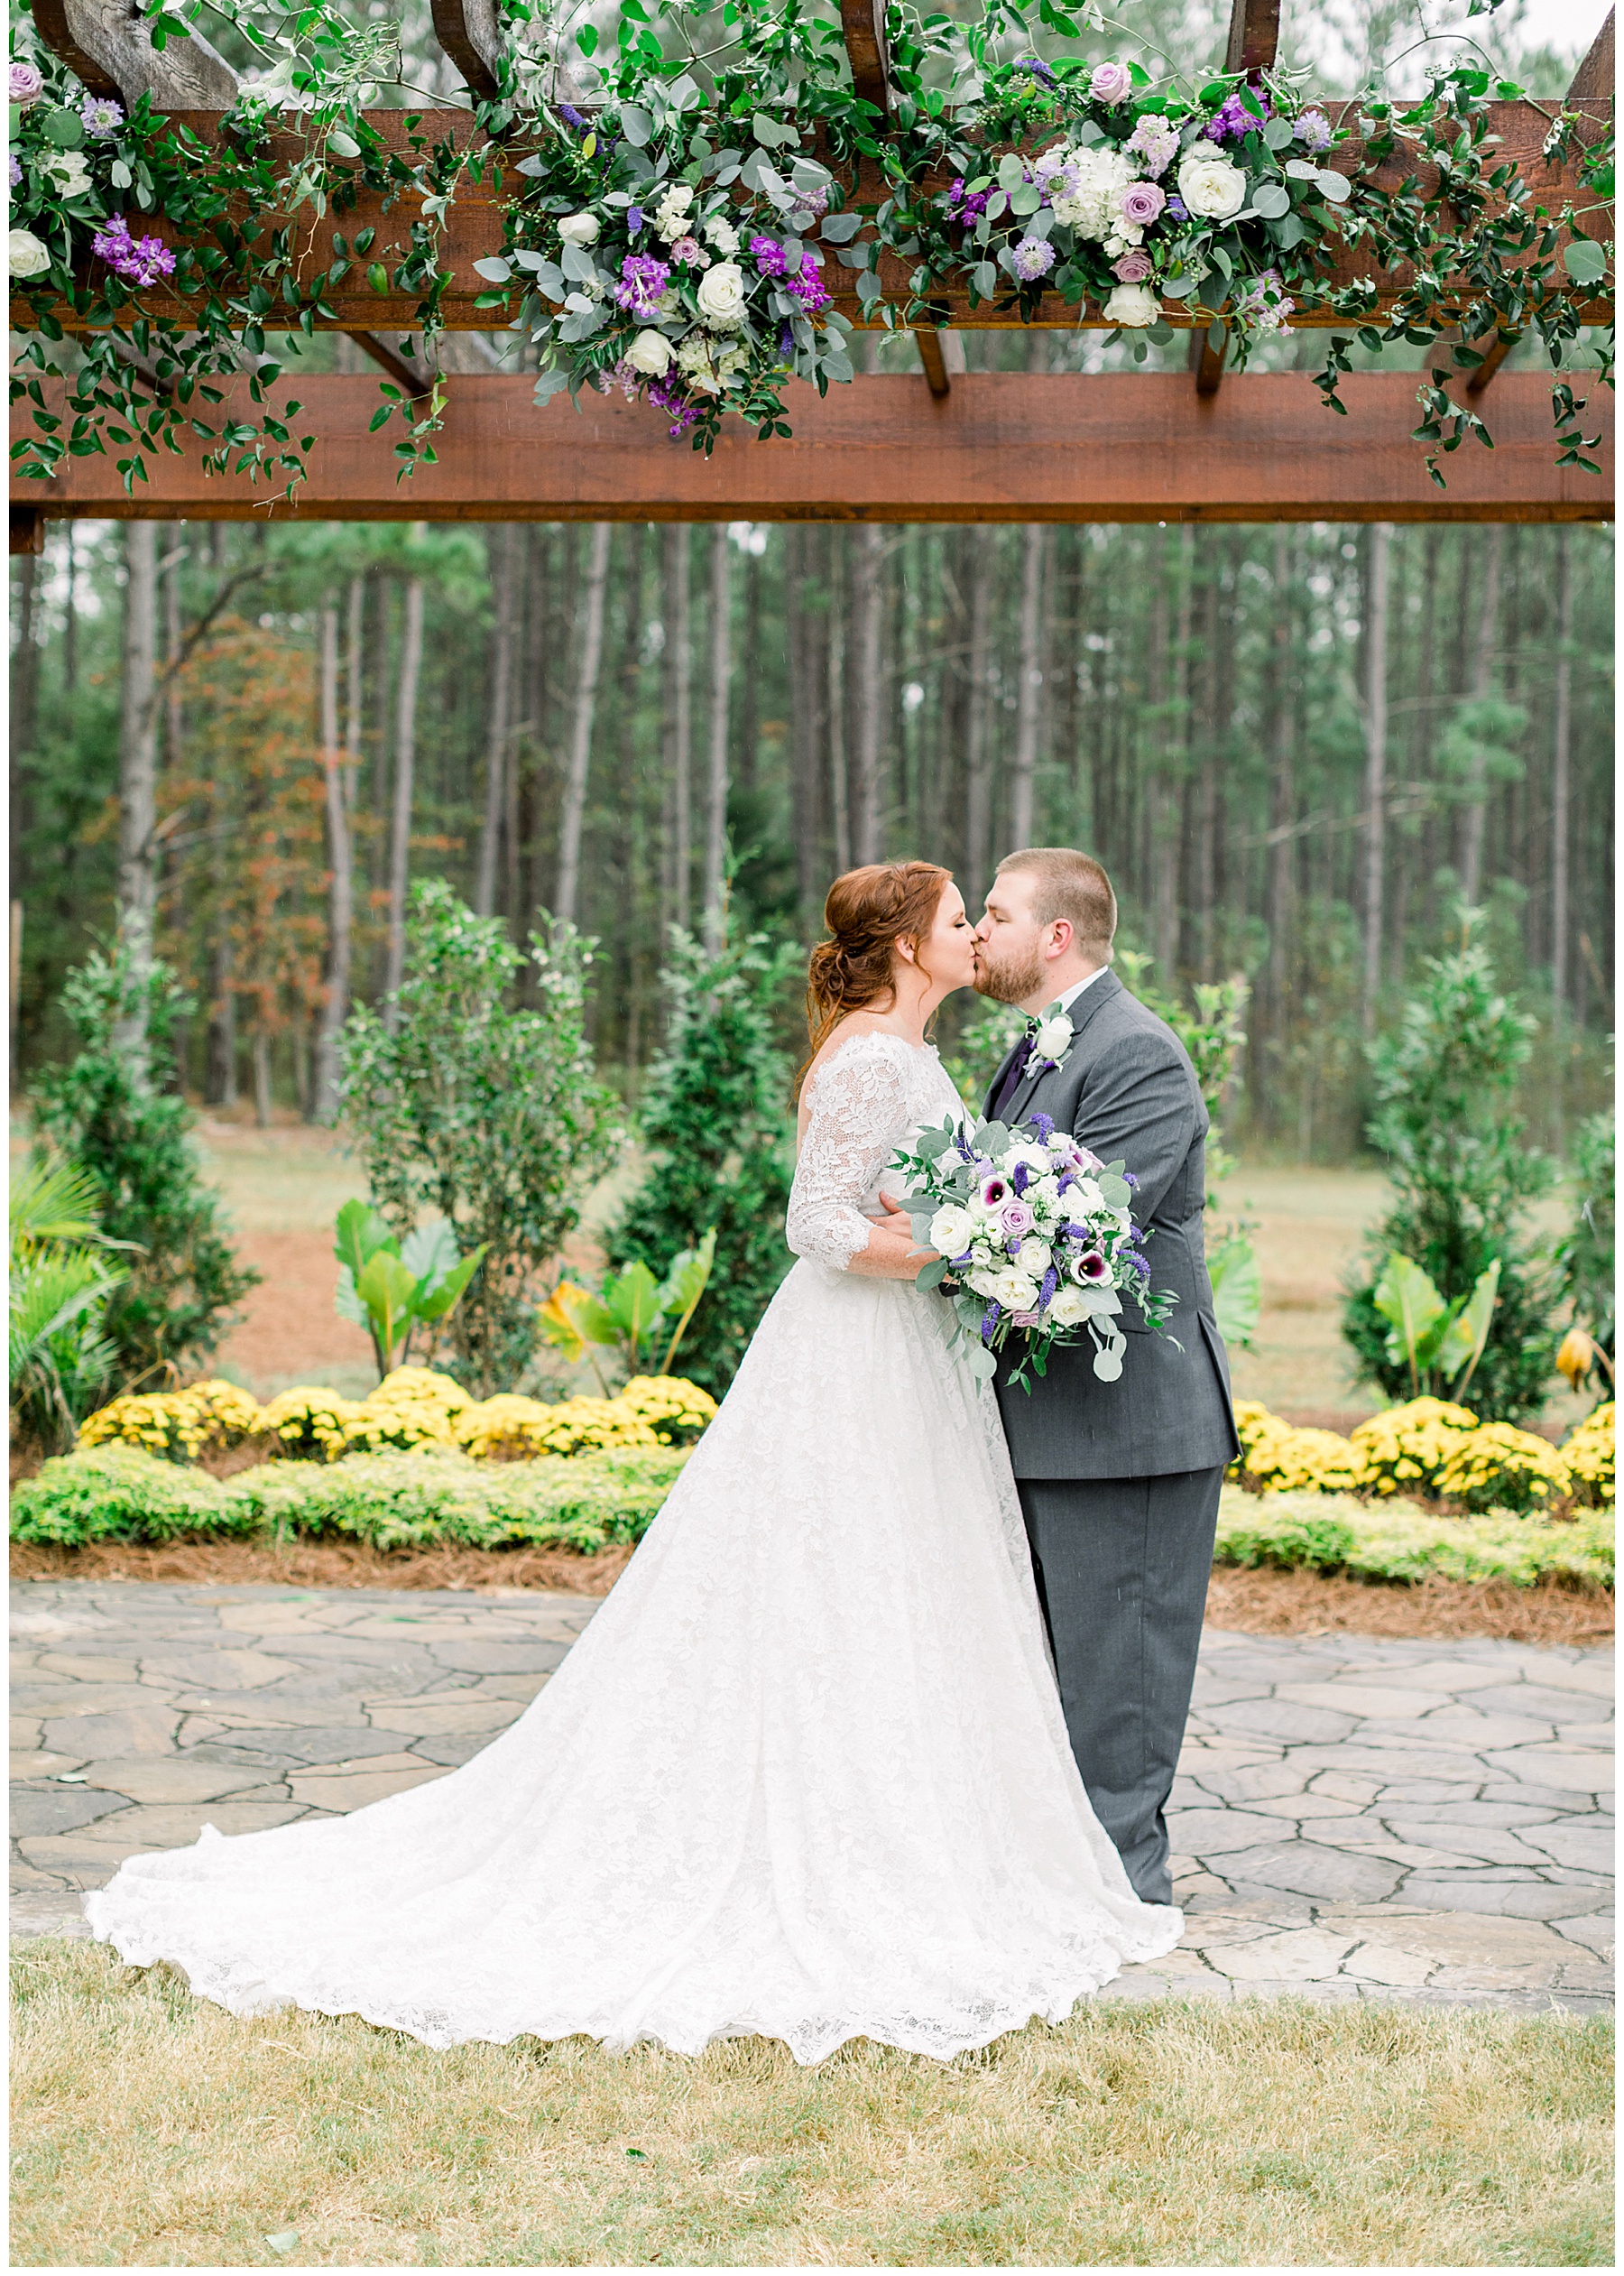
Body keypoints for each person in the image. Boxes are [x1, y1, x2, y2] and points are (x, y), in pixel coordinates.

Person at [85, 860, 1181, 2065]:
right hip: (853, 1356)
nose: (976, 931)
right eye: (960, 915)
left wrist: (976, 1234)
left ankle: (907, 1832)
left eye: (989, 914)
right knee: (830, 1582)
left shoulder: (922, 1055)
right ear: (914, 946)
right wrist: (958, 1242)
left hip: (914, 1365)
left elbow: (925, 1191)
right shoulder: (870, 1057)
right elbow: (814, 1224)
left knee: (900, 1595)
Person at [975, 847, 1240, 1906]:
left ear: (1056, 935)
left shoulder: (1138, 1054)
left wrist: (932, 1239)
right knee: (1054, 1670)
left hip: (1130, 1423)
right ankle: (1056, 1885)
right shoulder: (1040, 1047)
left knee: (1119, 1673)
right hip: (1053, 1418)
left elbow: (1084, 1226)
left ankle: (1124, 1896)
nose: (979, 930)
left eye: (995, 913)